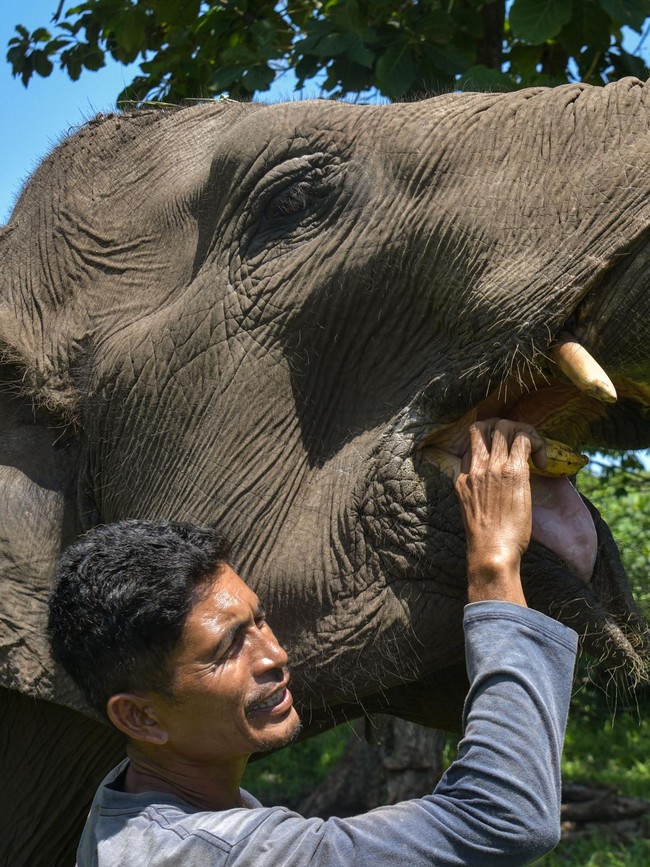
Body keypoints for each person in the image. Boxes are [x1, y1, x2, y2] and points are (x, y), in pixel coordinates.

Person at [48, 419, 578, 866]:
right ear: (140, 718)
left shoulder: (124, 806)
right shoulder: (209, 852)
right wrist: (494, 565)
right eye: (227, 649)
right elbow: (507, 816)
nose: (274, 655)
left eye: (259, 620)